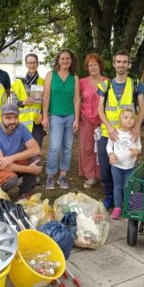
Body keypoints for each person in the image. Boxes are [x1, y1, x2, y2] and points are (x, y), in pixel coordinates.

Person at [97, 49, 144, 209]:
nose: (121, 64)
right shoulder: (105, 85)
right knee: (105, 168)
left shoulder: (136, 84)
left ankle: (125, 200)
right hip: (107, 133)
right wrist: (110, 127)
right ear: (114, 64)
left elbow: (142, 109)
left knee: (126, 164)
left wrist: (137, 126)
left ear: (129, 64)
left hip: (128, 134)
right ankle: (110, 196)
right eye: (118, 61)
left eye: (125, 62)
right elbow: (100, 110)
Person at [0, 103, 42, 199]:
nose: (13, 121)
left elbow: (36, 149)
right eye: (8, 118)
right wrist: (29, 169)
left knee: (36, 160)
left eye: (15, 117)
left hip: (11, 162)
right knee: (11, 179)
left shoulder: (22, 128)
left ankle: (25, 193)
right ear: (1, 117)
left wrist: (12, 158)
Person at [42, 49, 80, 190]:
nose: (65, 61)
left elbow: (76, 99)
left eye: (67, 59)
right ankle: (50, 175)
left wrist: (76, 119)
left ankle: (63, 176)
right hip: (55, 116)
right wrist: (45, 116)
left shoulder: (74, 77)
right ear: (58, 60)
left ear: (71, 61)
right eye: (62, 58)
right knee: (55, 147)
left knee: (68, 147)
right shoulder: (50, 75)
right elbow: (46, 97)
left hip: (70, 116)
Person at [106, 108, 141, 220]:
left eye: (131, 118)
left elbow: (139, 146)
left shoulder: (135, 133)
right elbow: (108, 146)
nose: (129, 120)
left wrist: (137, 150)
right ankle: (117, 208)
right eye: (125, 117)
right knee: (117, 187)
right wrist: (111, 154)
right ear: (120, 120)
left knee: (127, 187)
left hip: (130, 167)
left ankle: (127, 208)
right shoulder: (115, 132)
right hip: (116, 167)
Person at [79, 53, 107, 189]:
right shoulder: (82, 82)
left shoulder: (107, 81)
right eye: (90, 65)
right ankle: (90, 175)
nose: (93, 67)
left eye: (95, 64)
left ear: (99, 66)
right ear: (87, 67)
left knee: (101, 148)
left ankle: (102, 175)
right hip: (85, 118)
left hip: (102, 119)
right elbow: (76, 99)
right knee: (87, 147)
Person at [11, 53, 46, 147]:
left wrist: (43, 115)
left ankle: (35, 162)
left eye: (34, 62)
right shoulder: (18, 83)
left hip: (37, 121)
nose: (32, 65)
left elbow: (47, 102)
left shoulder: (44, 82)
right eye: (29, 63)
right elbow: (13, 103)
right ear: (26, 64)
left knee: (36, 147)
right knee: (22, 148)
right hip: (22, 121)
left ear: (38, 64)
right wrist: (23, 102)